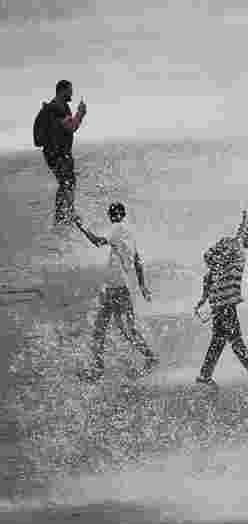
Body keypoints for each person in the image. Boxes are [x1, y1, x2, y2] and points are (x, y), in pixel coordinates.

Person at [74, 202, 158, 381]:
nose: (113, 217)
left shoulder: (117, 228)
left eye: (113, 214)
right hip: (119, 287)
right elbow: (138, 261)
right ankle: (147, 357)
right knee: (123, 328)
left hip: (115, 288)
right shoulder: (130, 233)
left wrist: (81, 226)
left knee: (106, 329)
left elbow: (97, 241)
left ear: (113, 216)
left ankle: (99, 369)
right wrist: (142, 286)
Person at [193, 211, 248, 385]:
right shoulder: (234, 246)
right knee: (234, 338)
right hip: (224, 302)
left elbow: (211, 268)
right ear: (247, 234)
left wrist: (205, 296)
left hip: (221, 301)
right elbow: (211, 260)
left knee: (221, 339)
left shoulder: (232, 246)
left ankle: (204, 376)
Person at [35, 80, 86, 224]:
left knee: (68, 182)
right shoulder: (56, 108)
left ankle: (65, 213)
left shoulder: (61, 107)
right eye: (70, 90)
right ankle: (65, 214)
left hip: (60, 153)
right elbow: (71, 127)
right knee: (66, 182)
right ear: (62, 91)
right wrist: (81, 114)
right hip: (56, 154)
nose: (72, 93)